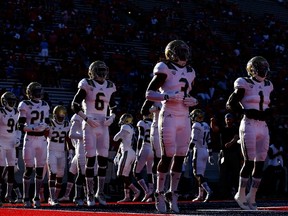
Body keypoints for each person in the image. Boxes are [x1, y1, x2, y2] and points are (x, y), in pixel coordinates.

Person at [144, 40, 198, 213]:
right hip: (168, 115)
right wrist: (166, 96)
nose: (183, 54)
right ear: (171, 53)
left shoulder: (190, 71)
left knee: (181, 156)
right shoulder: (164, 68)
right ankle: (159, 193)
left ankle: (172, 193)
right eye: (180, 51)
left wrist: (194, 100)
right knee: (167, 156)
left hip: (184, 116)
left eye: (185, 50)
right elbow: (149, 93)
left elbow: (188, 93)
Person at [226, 56, 274, 210]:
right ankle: (240, 193)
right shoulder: (244, 82)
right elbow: (230, 103)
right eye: (261, 67)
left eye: (265, 67)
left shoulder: (268, 85)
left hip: (263, 125)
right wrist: (246, 111)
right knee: (248, 161)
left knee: (260, 162)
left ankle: (252, 196)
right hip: (249, 124)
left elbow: (268, 104)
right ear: (252, 69)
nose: (264, 70)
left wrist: (269, 113)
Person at [71, 60, 117, 206]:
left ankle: (100, 192)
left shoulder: (110, 86)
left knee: (103, 160)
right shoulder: (86, 83)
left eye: (104, 70)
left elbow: (114, 105)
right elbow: (75, 104)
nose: (102, 73)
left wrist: (113, 116)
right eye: (99, 70)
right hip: (90, 124)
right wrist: (85, 118)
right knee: (90, 160)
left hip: (103, 125)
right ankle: (89, 193)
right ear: (92, 72)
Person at [17, 82, 50, 208]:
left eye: (39, 91)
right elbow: (20, 125)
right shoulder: (24, 104)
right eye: (35, 91)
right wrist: (33, 127)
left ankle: (36, 197)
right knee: (29, 168)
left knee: (40, 169)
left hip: (42, 140)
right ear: (30, 93)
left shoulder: (45, 105)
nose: (38, 93)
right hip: (30, 139)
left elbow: (47, 122)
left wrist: (45, 126)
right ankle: (26, 197)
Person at [210, 113, 241, 199]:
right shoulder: (223, 128)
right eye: (227, 118)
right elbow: (215, 129)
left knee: (235, 173)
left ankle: (237, 191)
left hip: (233, 153)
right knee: (223, 174)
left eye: (230, 118)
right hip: (224, 153)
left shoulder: (235, 128)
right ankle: (224, 193)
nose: (228, 120)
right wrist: (212, 122)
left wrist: (231, 143)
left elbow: (236, 137)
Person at [58, 113, 87, 206]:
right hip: (78, 148)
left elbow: (71, 135)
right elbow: (69, 136)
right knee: (72, 173)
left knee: (83, 174)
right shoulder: (76, 117)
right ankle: (67, 195)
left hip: (83, 148)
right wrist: (71, 151)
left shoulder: (80, 117)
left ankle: (83, 196)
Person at [46, 105, 71, 206]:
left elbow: (68, 139)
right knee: (53, 173)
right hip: (51, 151)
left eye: (63, 116)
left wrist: (71, 151)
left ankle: (54, 197)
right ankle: (52, 198)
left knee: (60, 176)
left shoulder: (66, 123)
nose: (61, 118)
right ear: (55, 115)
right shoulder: (50, 123)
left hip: (62, 152)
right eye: (59, 116)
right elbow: (44, 135)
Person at [187, 109, 214, 203]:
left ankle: (208, 190)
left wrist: (188, 151)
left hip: (198, 150)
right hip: (205, 151)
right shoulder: (206, 125)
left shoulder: (196, 125)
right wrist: (210, 154)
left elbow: (193, 140)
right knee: (201, 174)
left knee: (197, 174)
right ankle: (200, 195)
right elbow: (209, 141)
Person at [113, 113, 140, 203]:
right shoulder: (132, 128)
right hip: (131, 152)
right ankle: (127, 196)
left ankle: (136, 191)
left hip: (127, 152)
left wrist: (119, 137)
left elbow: (115, 138)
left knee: (120, 175)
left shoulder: (125, 127)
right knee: (125, 175)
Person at [0, 92, 21, 206]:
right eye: (10, 100)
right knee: (0, 168)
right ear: (4, 101)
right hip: (1, 142)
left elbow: (18, 128)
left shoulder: (16, 112)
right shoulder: (1, 112)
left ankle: (9, 195)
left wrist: (18, 138)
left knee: (11, 170)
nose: (12, 102)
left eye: (13, 100)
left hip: (12, 143)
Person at [133, 113, 154, 202]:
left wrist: (137, 152)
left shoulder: (142, 123)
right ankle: (151, 194)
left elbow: (141, 137)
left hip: (145, 148)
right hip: (153, 150)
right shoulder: (154, 123)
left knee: (136, 172)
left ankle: (147, 191)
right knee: (150, 172)